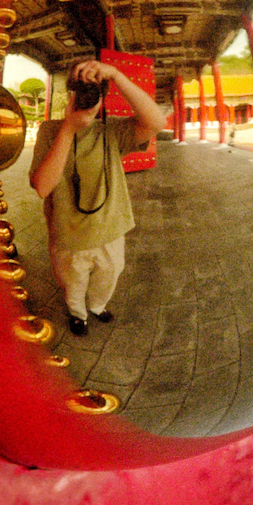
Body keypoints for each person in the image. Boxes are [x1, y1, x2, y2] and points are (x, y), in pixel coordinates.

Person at [29, 59, 166, 335]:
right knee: (73, 283)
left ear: (102, 99)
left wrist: (116, 75)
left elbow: (157, 122)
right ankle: (77, 313)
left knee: (108, 278)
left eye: (95, 94)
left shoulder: (111, 132)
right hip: (69, 235)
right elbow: (43, 186)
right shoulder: (50, 131)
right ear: (70, 96)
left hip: (111, 230)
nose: (88, 99)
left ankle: (97, 307)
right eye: (81, 92)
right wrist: (69, 128)